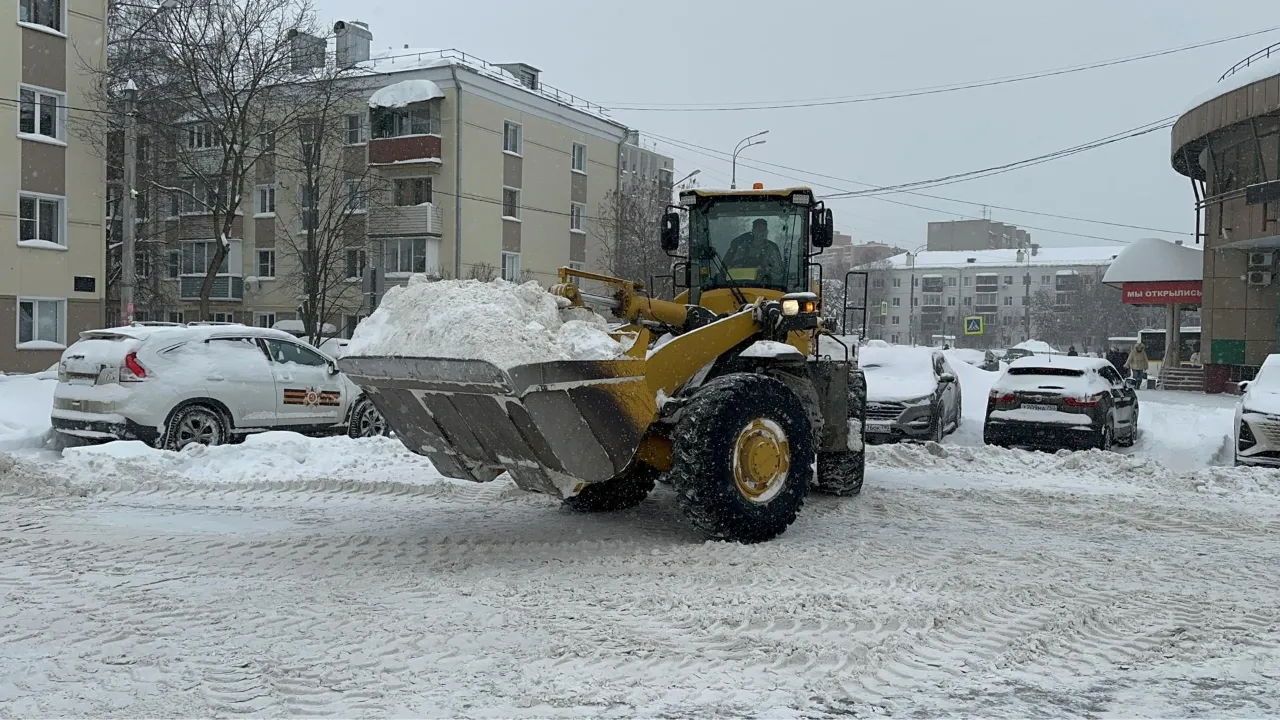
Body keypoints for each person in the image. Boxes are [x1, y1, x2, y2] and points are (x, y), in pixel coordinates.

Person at [724, 218, 785, 285]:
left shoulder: (771, 250)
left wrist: (765, 270)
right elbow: (733, 269)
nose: (763, 233)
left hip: (765, 289)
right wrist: (747, 268)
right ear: (753, 231)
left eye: (765, 230)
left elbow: (779, 274)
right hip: (742, 288)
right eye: (760, 230)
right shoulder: (743, 248)